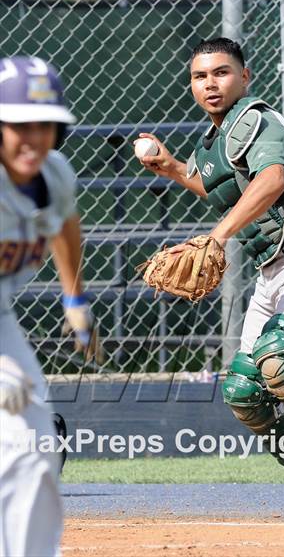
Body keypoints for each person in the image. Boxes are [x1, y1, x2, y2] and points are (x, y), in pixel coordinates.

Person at [134, 38, 284, 518]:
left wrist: (217, 236)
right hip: (274, 269)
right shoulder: (215, 140)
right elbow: (209, 185)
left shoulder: (259, 120)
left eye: (222, 73)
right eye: (200, 76)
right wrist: (169, 167)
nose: (210, 83)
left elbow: (272, 180)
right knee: (244, 390)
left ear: (244, 78)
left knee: (280, 358)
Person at [0, 56, 103, 556]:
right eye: (18, 124)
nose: (33, 138)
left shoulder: (53, 174)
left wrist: (74, 295)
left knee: (35, 441)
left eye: (45, 125)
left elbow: (65, 223)